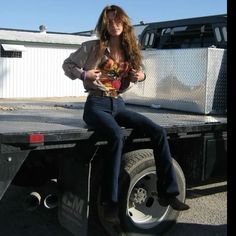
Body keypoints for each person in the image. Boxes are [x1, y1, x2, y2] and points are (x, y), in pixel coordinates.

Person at [62, 5, 190, 223]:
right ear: (104, 25)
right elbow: (67, 65)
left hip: (118, 103)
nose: (113, 25)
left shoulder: (130, 51)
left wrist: (140, 76)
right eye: (109, 21)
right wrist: (84, 74)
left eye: (117, 21)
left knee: (158, 132)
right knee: (116, 135)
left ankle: (169, 193)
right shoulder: (92, 47)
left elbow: (139, 75)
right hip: (96, 105)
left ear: (124, 23)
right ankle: (110, 203)